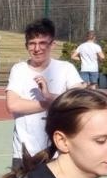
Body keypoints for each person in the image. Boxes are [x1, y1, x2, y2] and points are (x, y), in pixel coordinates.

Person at [5, 18, 82, 169]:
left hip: (60, 152)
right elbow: (12, 104)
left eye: (42, 43)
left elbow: (79, 101)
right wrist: (48, 103)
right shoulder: (19, 69)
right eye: (32, 43)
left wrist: (49, 95)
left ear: (52, 44)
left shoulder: (66, 69)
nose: (37, 48)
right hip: (25, 154)